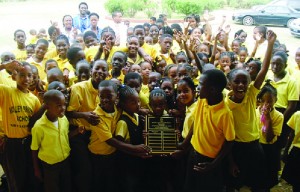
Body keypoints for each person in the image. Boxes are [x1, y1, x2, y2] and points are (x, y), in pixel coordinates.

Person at [226, 30, 276, 191]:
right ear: (229, 84)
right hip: (236, 148)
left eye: (244, 81)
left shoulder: (251, 94)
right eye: (237, 81)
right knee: (235, 182)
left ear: (249, 83)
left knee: (259, 183)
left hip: (254, 146)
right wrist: (231, 161)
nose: (241, 85)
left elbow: (264, 69)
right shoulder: (225, 103)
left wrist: (270, 44)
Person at [178, 69, 235, 192]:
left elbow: (230, 141)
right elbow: (196, 122)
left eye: (201, 84)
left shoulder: (224, 114)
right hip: (194, 153)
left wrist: (214, 164)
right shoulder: (202, 100)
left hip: (209, 161)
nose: (197, 87)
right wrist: (184, 144)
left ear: (212, 90)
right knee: (190, 186)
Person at [89, 81, 150, 192]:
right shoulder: (96, 117)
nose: (105, 100)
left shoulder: (117, 108)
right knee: (100, 183)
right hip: (99, 155)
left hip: (112, 154)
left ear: (116, 97)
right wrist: (135, 149)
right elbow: (111, 141)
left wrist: (139, 110)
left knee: (112, 182)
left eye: (109, 96)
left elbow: (128, 106)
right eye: (101, 96)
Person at [66, 59, 108, 192]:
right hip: (80, 133)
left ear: (108, 73)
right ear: (91, 70)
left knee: (97, 169)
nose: (100, 72)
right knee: (85, 170)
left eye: (104, 69)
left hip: (98, 135)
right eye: (97, 68)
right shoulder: (78, 88)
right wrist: (85, 115)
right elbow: (69, 113)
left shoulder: (107, 89)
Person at [0, 61, 41, 192]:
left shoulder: (34, 100)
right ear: (14, 76)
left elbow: (36, 123)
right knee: (15, 181)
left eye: (30, 75)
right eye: (22, 75)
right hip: (12, 144)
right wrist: (3, 66)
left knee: (29, 179)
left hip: (28, 144)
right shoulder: (6, 92)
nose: (26, 79)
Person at [31, 90, 71, 192]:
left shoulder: (64, 119)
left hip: (65, 160)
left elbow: (64, 136)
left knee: (66, 186)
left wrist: (77, 132)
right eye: (58, 106)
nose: (63, 108)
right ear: (47, 107)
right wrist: (37, 169)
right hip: (50, 166)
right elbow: (34, 148)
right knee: (52, 188)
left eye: (64, 105)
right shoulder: (39, 126)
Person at [115, 85, 147, 192]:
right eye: (133, 103)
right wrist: (136, 152)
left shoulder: (137, 116)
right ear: (123, 105)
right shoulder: (122, 122)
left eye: (138, 101)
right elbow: (119, 146)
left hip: (138, 163)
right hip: (127, 165)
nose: (138, 105)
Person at [267, 51, 299, 149]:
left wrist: (280, 120)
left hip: (283, 114)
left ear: (285, 65)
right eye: (273, 63)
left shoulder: (291, 82)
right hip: (267, 112)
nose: (275, 67)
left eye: (279, 64)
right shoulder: (268, 77)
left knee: (276, 144)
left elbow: (291, 106)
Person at [256, 80, 284, 190]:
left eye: (269, 101)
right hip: (256, 147)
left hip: (269, 150)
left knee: (266, 180)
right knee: (256, 179)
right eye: (263, 101)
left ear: (275, 100)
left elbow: (269, 138)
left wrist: (268, 119)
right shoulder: (255, 112)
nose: (265, 105)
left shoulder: (278, 116)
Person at [281, 110, 300, 192]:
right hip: (297, 152)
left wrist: (286, 151)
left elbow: (291, 134)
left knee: (296, 182)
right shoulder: (297, 114)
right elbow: (291, 134)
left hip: (297, 152)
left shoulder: (297, 114)